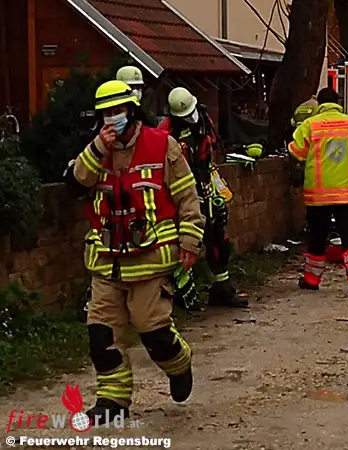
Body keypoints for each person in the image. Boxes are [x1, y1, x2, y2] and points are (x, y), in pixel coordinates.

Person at [68, 80, 200, 423]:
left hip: (150, 260)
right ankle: (112, 400)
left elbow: (187, 197)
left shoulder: (162, 145)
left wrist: (190, 242)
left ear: (131, 110)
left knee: (153, 330)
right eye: (106, 113)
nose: (112, 118)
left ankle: (178, 363)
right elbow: (76, 183)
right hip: (107, 262)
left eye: (118, 111)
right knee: (102, 334)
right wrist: (98, 148)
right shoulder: (95, 151)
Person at [158, 87, 247, 308]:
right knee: (184, 241)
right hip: (182, 190)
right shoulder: (166, 131)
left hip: (205, 183)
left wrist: (214, 187)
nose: (191, 118)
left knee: (218, 237)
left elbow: (210, 152)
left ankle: (222, 288)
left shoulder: (204, 121)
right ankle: (180, 293)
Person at [289, 87, 348, 296]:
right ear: (338, 103)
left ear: (320, 104)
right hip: (347, 193)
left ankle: (311, 280)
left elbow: (296, 152)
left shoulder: (310, 125)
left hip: (318, 194)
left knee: (318, 236)